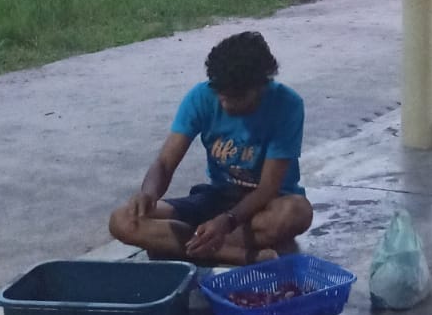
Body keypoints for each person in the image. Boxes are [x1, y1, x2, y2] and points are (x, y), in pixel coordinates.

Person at [109, 31, 312, 265]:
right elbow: (165, 163)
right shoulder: (201, 97)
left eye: (236, 97)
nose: (225, 104)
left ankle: (183, 245)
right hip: (216, 197)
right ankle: (242, 255)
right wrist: (148, 194)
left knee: (296, 213)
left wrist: (227, 221)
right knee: (123, 220)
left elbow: (267, 188)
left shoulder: (287, 105)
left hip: (265, 204)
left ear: (261, 86)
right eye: (221, 96)